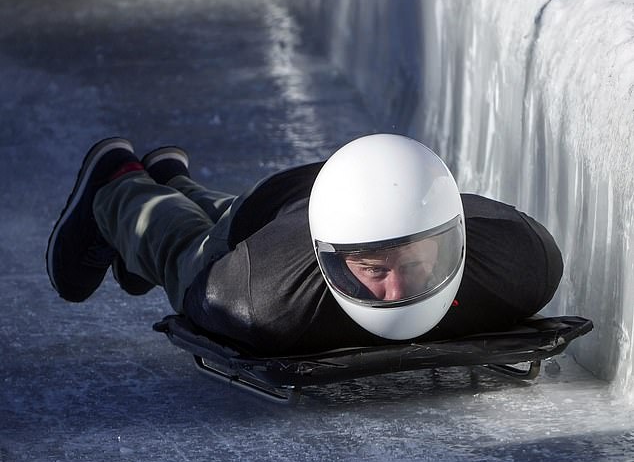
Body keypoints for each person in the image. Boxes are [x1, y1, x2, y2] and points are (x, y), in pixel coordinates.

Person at [46, 134, 563, 356]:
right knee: (188, 254)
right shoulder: (258, 298)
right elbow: (202, 285)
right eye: (374, 269)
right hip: (268, 217)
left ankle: (173, 180)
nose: (397, 291)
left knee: (229, 225)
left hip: (348, 188)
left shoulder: (522, 258)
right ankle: (119, 183)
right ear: (334, 260)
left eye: (412, 261)